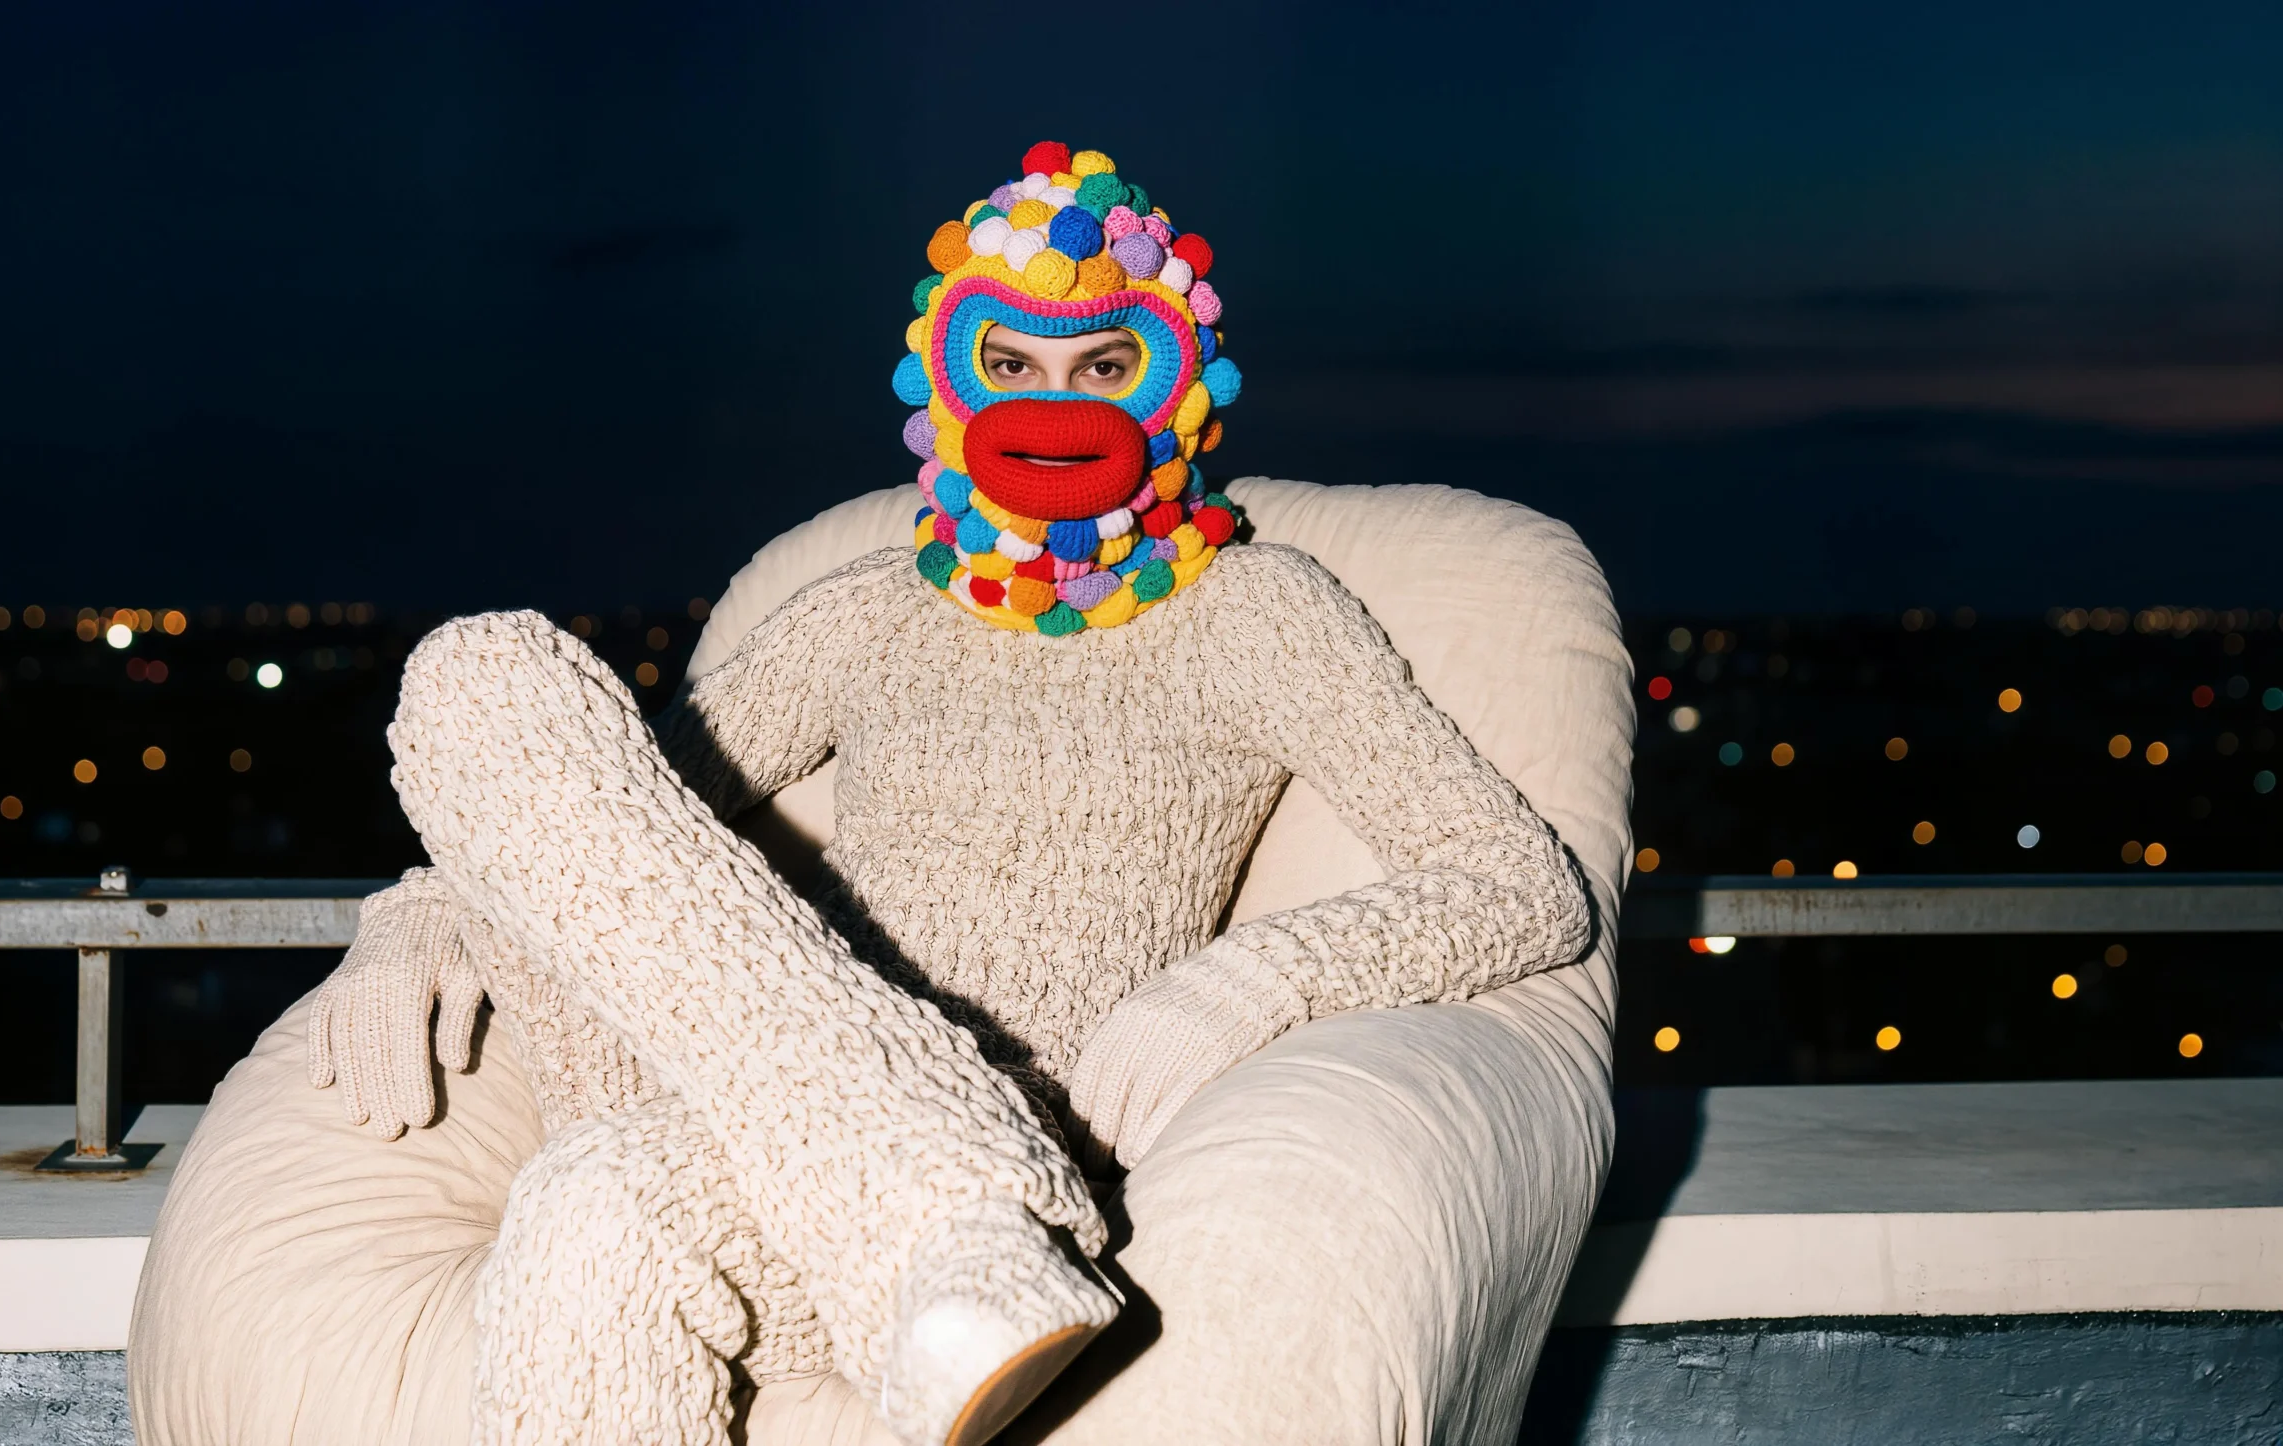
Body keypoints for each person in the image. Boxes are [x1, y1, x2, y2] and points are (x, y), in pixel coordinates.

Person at [307, 141, 1594, 1446]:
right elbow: (608, 808)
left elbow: (1520, 882)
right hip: (765, 1108)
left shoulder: (1259, 614)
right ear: (950, 376)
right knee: (486, 671)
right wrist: (425, 911)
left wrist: (1244, 984)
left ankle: (967, 1224)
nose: (1058, 401)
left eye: (1104, 365)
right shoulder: (867, 613)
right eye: (1013, 364)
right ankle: (947, 1221)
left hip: (1006, 1148)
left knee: (594, 1209)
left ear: (1174, 380)